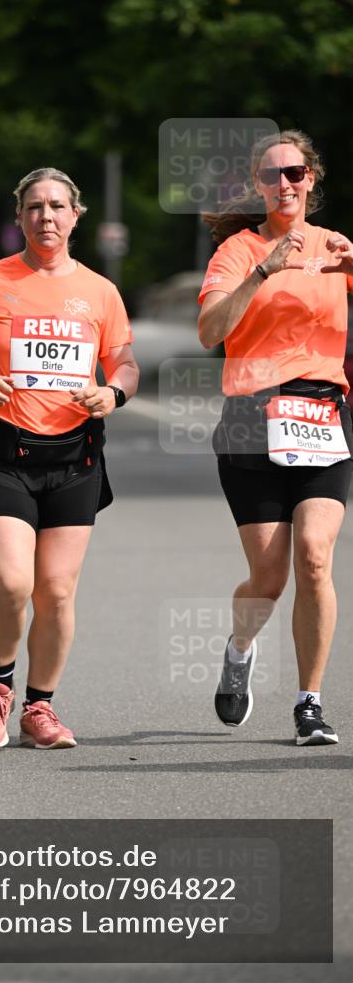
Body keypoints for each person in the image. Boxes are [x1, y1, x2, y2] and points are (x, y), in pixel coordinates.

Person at [0, 167, 138, 749]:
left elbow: (125, 364)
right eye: (35, 207)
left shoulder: (99, 291)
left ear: (76, 215)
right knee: (14, 583)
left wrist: (112, 392)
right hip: (4, 452)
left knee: (58, 591)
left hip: (75, 456)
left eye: (57, 206)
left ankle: (39, 709)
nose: (47, 216)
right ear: (19, 218)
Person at [198, 129, 353, 746]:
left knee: (315, 556)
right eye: (271, 175)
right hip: (249, 419)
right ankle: (241, 647)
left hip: (321, 415)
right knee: (269, 579)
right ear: (258, 186)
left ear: (311, 179)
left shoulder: (337, 247)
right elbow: (210, 330)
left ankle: (309, 703)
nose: (284, 183)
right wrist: (263, 270)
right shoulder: (239, 250)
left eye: (294, 172)